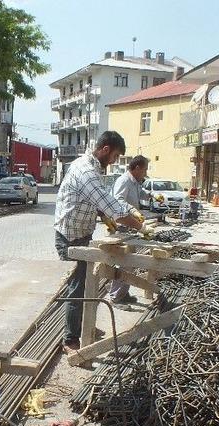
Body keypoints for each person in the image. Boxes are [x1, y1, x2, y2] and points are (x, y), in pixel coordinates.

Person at [54, 131, 144, 353]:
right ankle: (70, 340)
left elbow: (98, 201)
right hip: (69, 238)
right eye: (114, 156)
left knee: (85, 285)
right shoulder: (86, 171)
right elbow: (112, 207)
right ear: (105, 149)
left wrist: (103, 215)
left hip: (80, 234)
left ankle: (82, 326)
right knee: (77, 289)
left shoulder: (92, 167)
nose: (114, 162)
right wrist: (141, 226)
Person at [108, 156, 149, 305]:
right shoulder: (124, 180)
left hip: (131, 226)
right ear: (137, 168)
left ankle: (122, 293)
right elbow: (118, 200)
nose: (145, 173)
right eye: (144, 169)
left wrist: (151, 196)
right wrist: (133, 210)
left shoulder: (135, 182)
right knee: (123, 262)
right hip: (122, 225)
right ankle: (116, 297)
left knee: (129, 262)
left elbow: (140, 193)